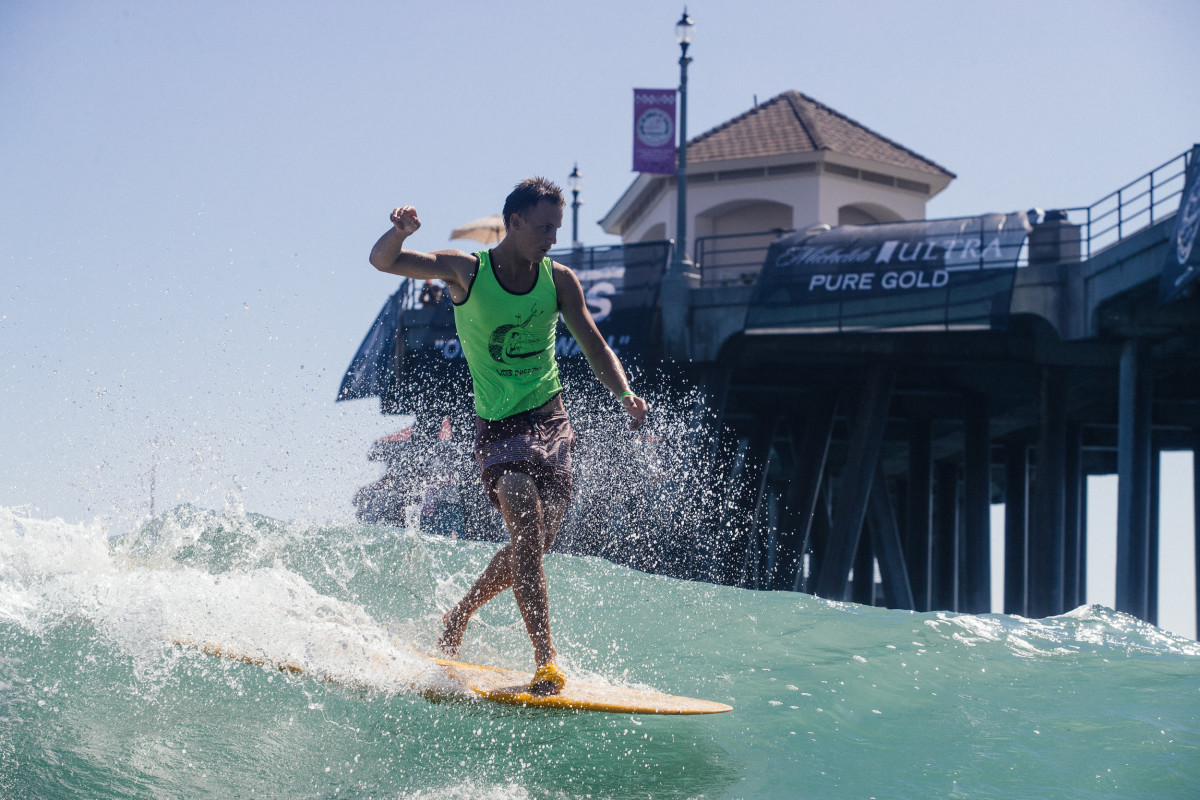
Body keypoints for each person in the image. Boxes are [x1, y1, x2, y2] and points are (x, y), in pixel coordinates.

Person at [368, 177, 649, 694]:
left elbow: (593, 343)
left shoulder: (559, 280)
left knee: (536, 542)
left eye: (555, 229)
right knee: (524, 524)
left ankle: (459, 613)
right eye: (542, 227)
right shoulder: (465, 271)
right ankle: (546, 660)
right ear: (514, 222)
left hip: (551, 420)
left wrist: (624, 393)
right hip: (498, 425)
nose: (550, 238)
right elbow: (384, 262)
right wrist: (400, 233)